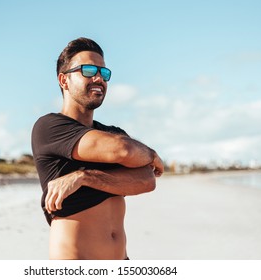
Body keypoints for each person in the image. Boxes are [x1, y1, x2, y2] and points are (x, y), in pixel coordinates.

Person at [31, 37, 164, 260]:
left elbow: (147, 180)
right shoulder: (49, 127)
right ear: (64, 80)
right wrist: (151, 155)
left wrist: (84, 178)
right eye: (89, 70)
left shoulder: (113, 132)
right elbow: (123, 151)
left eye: (104, 73)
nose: (98, 78)